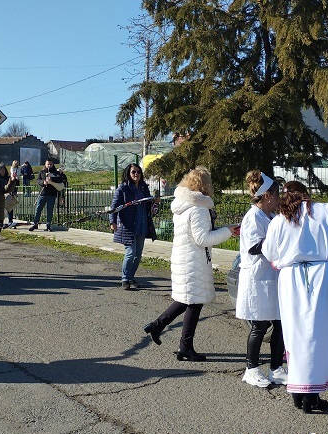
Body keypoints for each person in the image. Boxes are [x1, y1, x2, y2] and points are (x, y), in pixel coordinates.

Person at [261, 181, 328, 413]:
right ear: (307, 194)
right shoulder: (327, 211)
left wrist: (283, 257)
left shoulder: (279, 220)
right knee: (322, 335)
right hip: (324, 279)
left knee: (297, 336)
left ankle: (301, 394)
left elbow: (268, 252)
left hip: (292, 280)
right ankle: (311, 394)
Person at [142, 167, 238, 361]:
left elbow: (196, 234)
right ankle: (185, 347)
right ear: (205, 185)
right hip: (193, 260)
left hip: (185, 257)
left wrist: (223, 229)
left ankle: (157, 325)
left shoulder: (183, 204)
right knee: (194, 302)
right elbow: (202, 238)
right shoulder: (198, 208)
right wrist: (227, 230)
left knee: (187, 299)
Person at [236, 171, 286, 387]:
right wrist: (279, 242)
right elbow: (254, 247)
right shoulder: (253, 217)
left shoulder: (270, 217)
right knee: (260, 325)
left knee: (280, 323)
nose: (279, 200)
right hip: (257, 278)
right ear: (267, 196)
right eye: (277, 195)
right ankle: (251, 369)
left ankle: (276, 368)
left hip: (272, 278)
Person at [110, 163, 157, 290]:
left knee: (138, 254)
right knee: (130, 253)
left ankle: (131, 277)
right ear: (128, 174)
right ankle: (125, 279)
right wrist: (112, 222)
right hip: (128, 225)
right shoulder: (123, 188)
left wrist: (154, 202)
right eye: (133, 172)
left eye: (138, 172)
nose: (136, 174)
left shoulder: (143, 188)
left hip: (142, 224)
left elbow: (150, 207)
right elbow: (114, 207)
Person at [29, 159, 65, 232]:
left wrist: (52, 179)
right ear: (45, 165)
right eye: (48, 164)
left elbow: (60, 179)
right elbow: (38, 180)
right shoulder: (42, 172)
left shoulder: (56, 172)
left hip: (51, 194)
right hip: (43, 194)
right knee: (38, 209)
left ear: (53, 165)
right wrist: (43, 182)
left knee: (50, 210)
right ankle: (35, 223)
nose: (49, 166)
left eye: (50, 164)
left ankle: (48, 225)